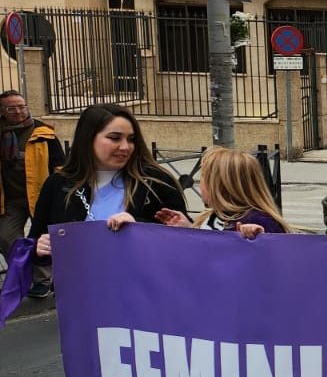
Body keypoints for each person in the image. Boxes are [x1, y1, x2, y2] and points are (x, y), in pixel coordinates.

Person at [29, 105, 188, 265]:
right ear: (88, 138)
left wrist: (139, 227)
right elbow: (34, 243)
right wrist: (40, 247)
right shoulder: (58, 183)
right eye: (114, 138)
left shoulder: (156, 181)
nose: (125, 147)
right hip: (78, 286)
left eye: (131, 139)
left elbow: (183, 239)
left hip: (143, 285)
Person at [0, 91, 64, 297]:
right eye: (11, 108)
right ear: (2, 111)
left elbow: (60, 165)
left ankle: (43, 281)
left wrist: (60, 193)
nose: (18, 111)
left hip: (40, 198)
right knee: (6, 236)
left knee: (40, 239)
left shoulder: (43, 132)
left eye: (22, 106)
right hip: (10, 199)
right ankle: (21, 273)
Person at [156, 147, 290, 238]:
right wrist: (188, 229)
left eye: (203, 178)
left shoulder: (259, 220)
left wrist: (261, 237)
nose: (199, 184)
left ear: (220, 186)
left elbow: (275, 258)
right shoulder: (213, 215)